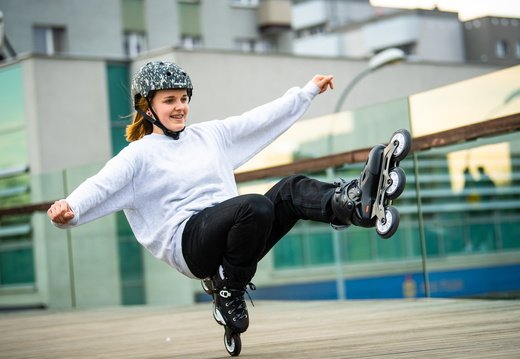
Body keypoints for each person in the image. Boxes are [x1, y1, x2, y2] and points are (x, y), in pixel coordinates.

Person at [47, 61, 377, 335]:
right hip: (189, 244)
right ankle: (228, 289)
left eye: (183, 99)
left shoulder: (210, 136)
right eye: (169, 100)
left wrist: (306, 93)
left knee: (290, 189)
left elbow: (258, 120)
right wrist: (71, 207)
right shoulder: (138, 156)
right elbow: (101, 184)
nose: (180, 107)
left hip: (235, 235)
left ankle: (352, 205)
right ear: (147, 107)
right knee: (255, 206)